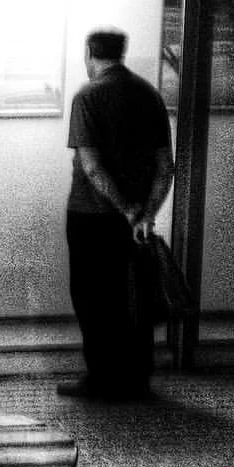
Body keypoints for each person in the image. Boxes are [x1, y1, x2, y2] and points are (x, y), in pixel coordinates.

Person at [58, 29, 175, 401]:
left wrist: (124, 208)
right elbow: (165, 167)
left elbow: (92, 167)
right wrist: (145, 214)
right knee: (133, 297)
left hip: (91, 216)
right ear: (122, 53)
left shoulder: (87, 97)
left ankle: (102, 378)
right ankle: (137, 378)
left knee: (92, 298)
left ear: (89, 53)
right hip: (135, 222)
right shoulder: (149, 95)